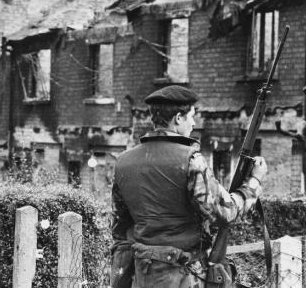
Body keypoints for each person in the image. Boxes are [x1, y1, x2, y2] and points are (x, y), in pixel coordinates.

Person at [110, 85, 267, 287]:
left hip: (144, 276)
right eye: (191, 116)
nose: (193, 123)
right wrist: (254, 182)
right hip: (185, 276)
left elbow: (120, 229)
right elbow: (225, 213)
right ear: (178, 118)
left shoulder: (123, 162)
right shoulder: (191, 159)